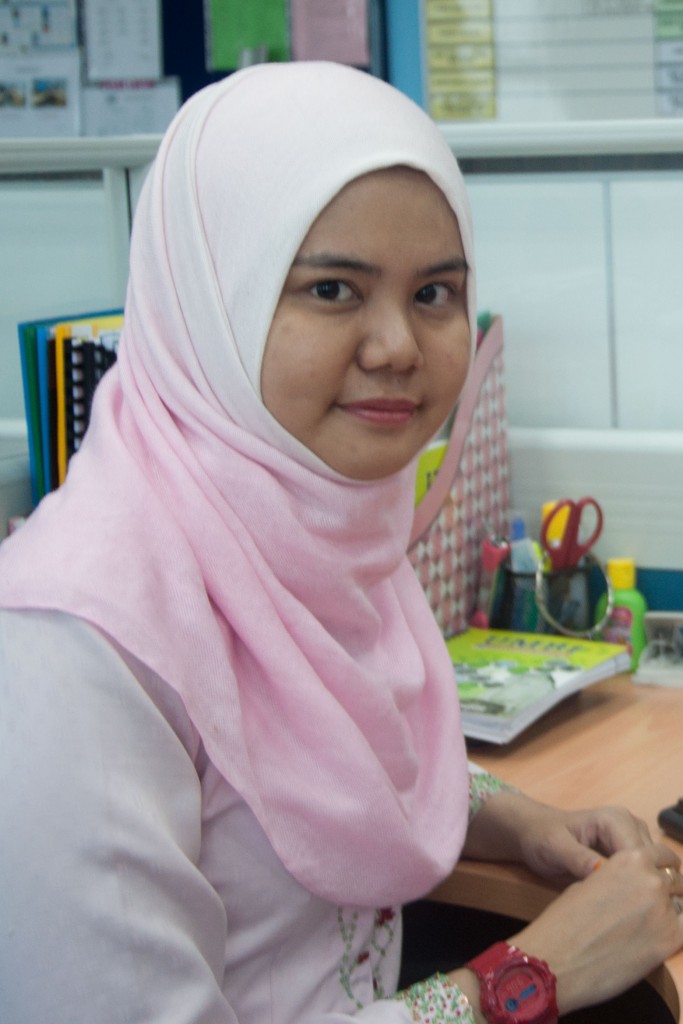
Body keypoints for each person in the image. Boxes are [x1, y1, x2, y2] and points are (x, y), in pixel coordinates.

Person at [0, 61, 681, 1024]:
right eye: (331, 289)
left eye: (434, 293)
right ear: (211, 304)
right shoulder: (74, 645)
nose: (397, 345)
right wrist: (528, 976)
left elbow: (327, 754)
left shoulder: (307, 526)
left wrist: (519, 822)